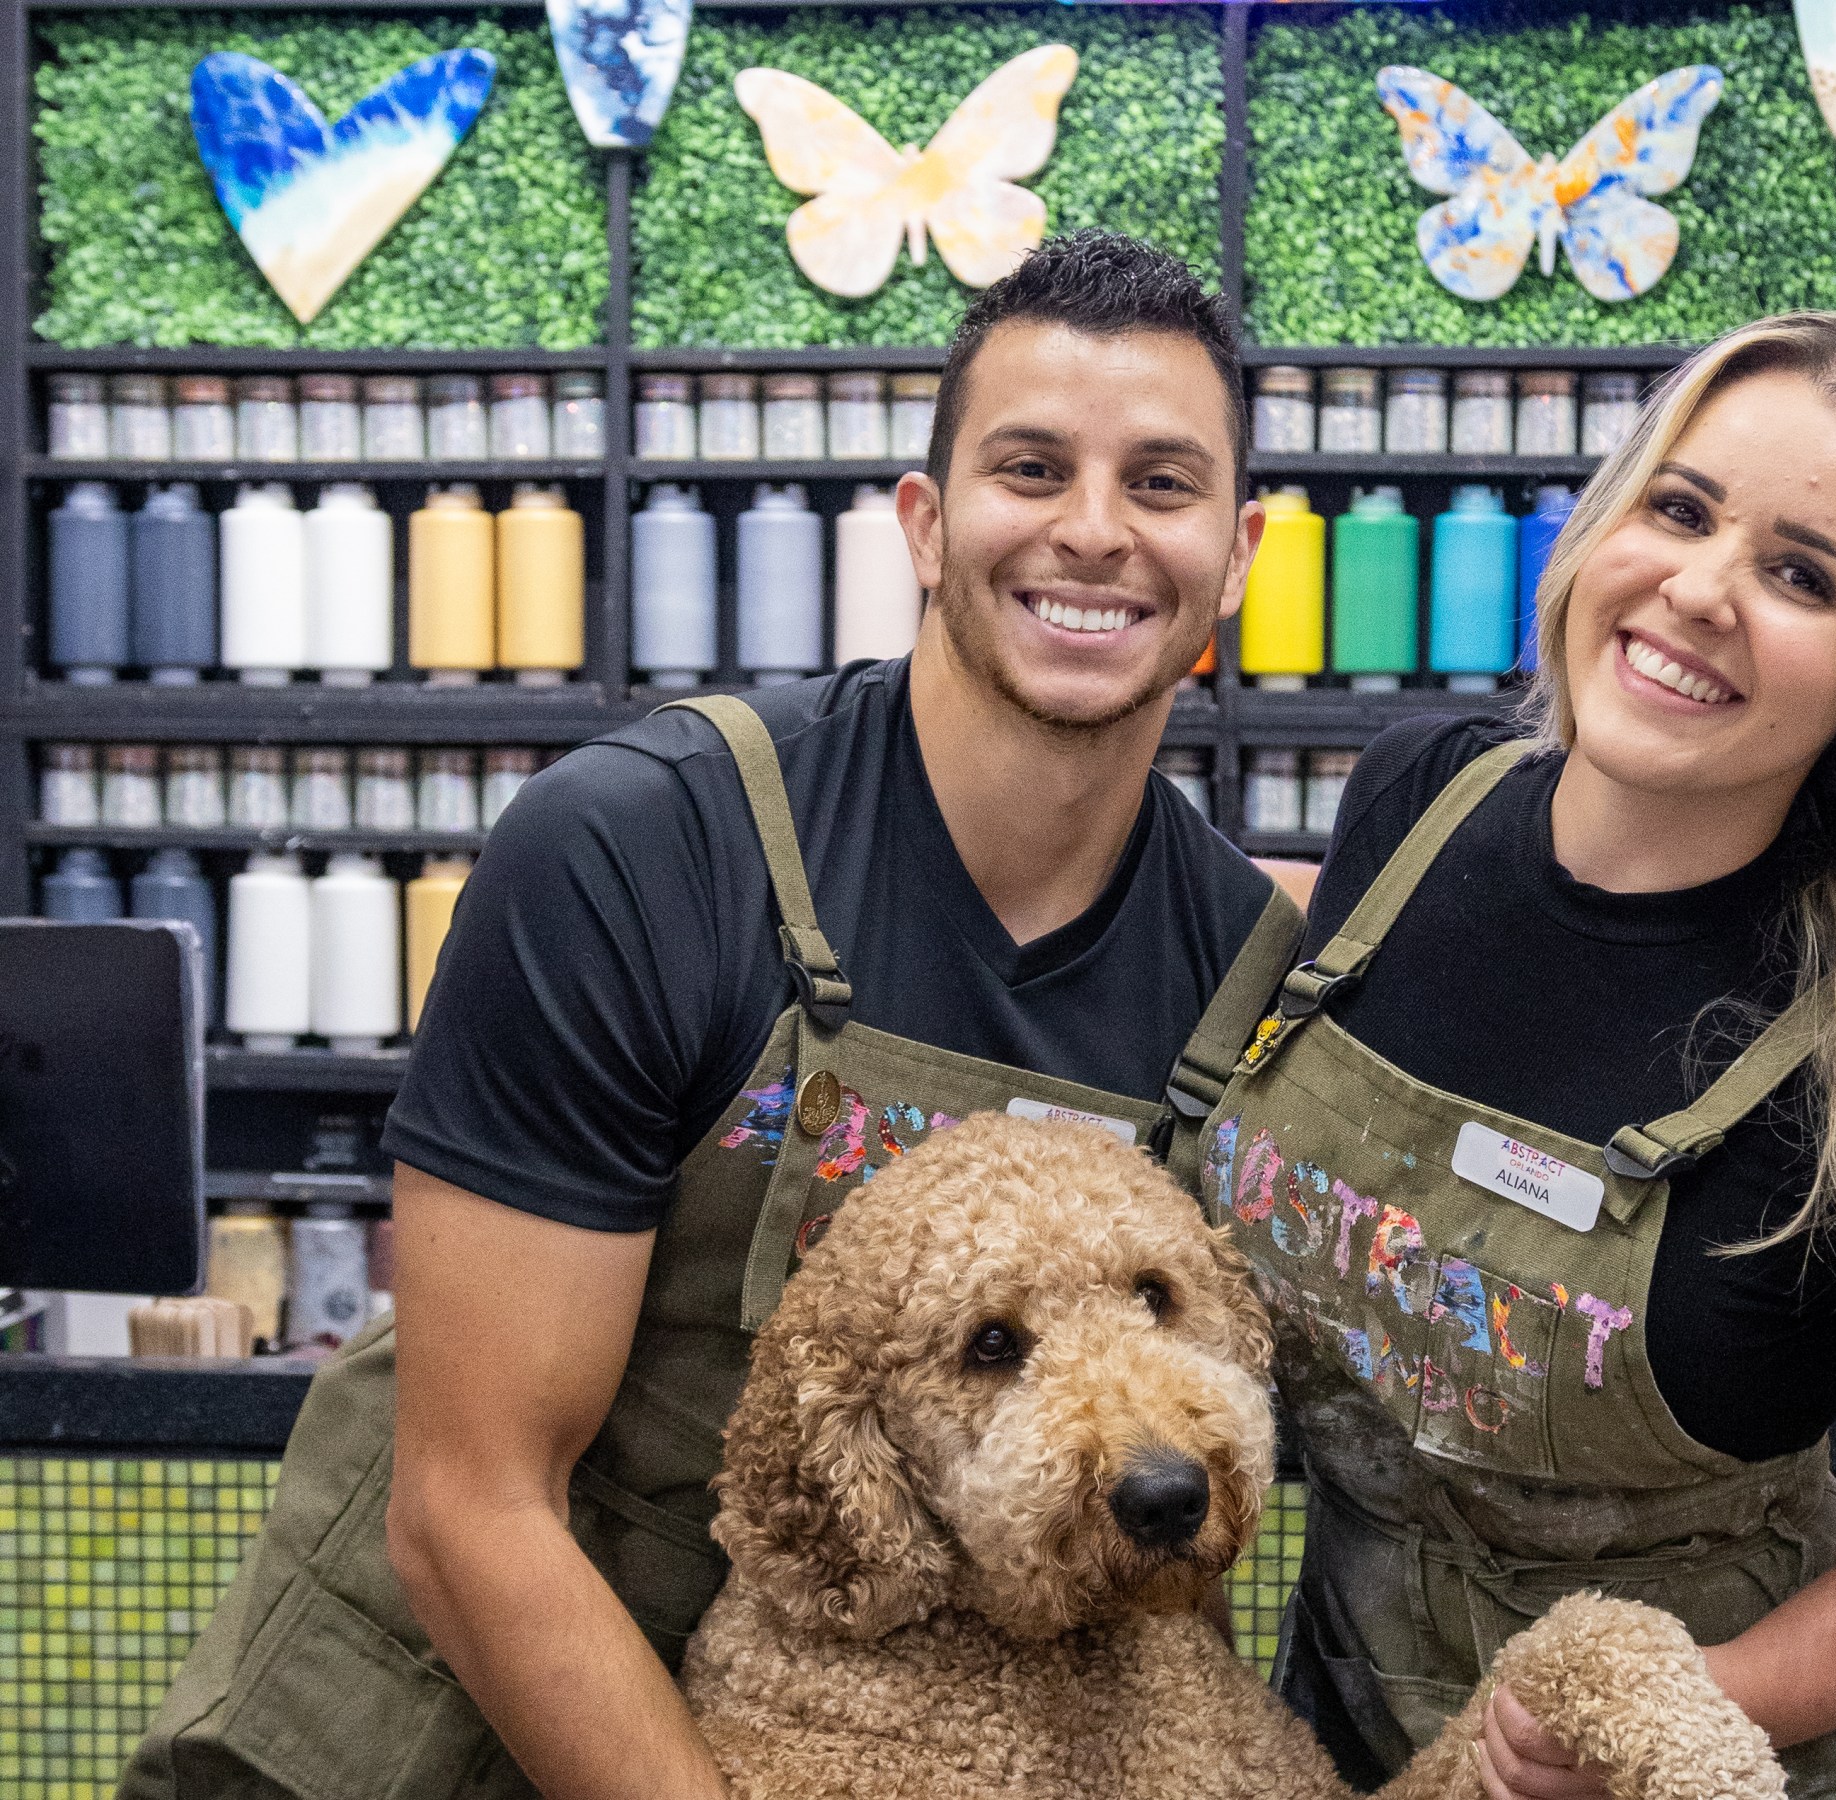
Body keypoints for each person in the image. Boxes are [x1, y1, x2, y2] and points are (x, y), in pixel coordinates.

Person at [120, 231, 1302, 1800]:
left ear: (1238, 555)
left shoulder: (1240, 966)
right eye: (1031, 469)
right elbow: (472, 1508)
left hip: (835, 1735)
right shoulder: (641, 849)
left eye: (1163, 483)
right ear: (927, 527)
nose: (1094, 531)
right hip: (430, 1729)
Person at [1201, 312, 1836, 1799]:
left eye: (1801, 574)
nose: (1700, 588)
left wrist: (1686, 1712)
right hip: (1365, 1730)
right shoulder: (1413, 809)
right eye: (1681, 509)